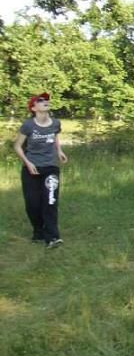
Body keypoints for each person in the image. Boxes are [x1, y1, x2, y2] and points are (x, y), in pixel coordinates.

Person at [13, 92, 68, 248]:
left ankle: (53, 238)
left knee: (50, 202)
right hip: (31, 169)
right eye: (41, 100)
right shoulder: (28, 125)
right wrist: (28, 163)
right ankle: (38, 232)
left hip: (51, 168)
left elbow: (55, 137)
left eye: (46, 100)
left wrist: (59, 151)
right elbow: (17, 146)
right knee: (32, 204)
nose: (45, 102)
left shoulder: (55, 123)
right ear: (33, 107)